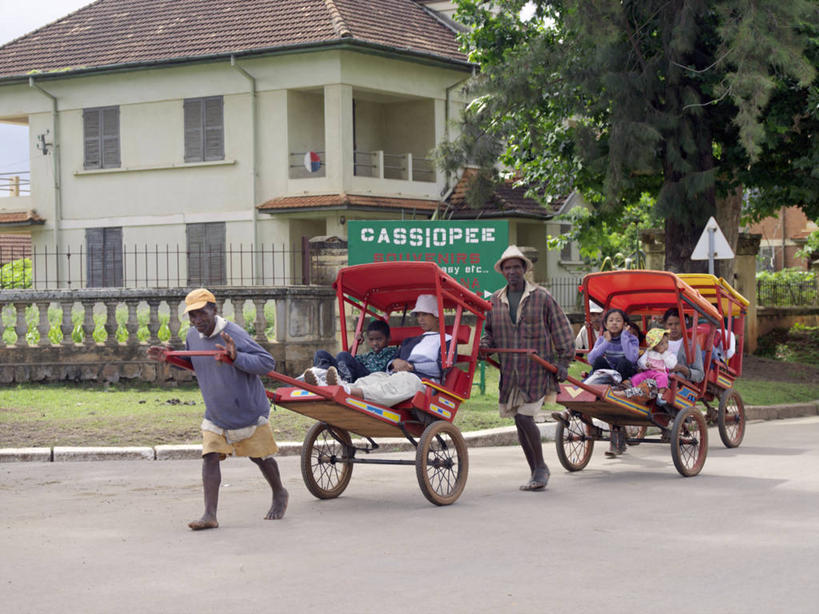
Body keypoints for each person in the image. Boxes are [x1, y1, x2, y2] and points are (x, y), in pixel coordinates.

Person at [147, 288, 288, 530]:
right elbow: (195, 364)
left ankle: (279, 492)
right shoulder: (192, 335)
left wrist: (236, 357)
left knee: (260, 457)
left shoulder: (233, 334)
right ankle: (209, 515)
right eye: (192, 316)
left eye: (202, 313)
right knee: (210, 457)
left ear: (214, 309)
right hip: (216, 413)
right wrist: (169, 358)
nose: (197, 320)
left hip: (247, 411)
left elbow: (266, 363)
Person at [481, 245, 574, 492]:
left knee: (525, 416)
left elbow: (561, 328)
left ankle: (541, 467)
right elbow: (487, 331)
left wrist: (563, 361)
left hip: (537, 370)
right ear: (502, 272)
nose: (512, 271)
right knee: (519, 422)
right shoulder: (494, 301)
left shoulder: (542, 297)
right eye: (507, 267)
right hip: (510, 372)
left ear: (524, 269)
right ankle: (536, 470)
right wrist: (484, 346)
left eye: (516, 267)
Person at [336, 294, 451, 408]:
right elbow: (390, 362)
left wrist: (411, 367)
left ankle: (350, 392)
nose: (420, 319)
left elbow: (442, 368)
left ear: (436, 316)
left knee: (402, 380)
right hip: (395, 375)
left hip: (421, 381)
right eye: (418, 315)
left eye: (424, 314)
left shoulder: (446, 340)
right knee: (376, 376)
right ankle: (340, 386)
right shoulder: (409, 341)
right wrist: (394, 362)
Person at [305, 319, 397, 385]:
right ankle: (321, 375)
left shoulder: (393, 352)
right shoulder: (369, 356)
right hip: (354, 372)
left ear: (388, 338)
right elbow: (346, 359)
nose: (375, 343)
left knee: (343, 355)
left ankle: (343, 381)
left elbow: (345, 357)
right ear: (367, 340)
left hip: (371, 377)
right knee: (320, 354)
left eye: (379, 339)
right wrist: (355, 344)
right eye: (371, 340)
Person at [617, 328, 677, 399]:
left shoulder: (668, 354)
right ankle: (627, 387)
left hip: (660, 374)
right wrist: (645, 364)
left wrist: (664, 355)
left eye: (667, 342)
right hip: (649, 372)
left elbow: (672, 365)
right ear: (654, 346)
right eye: (661, 344)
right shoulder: (649, 352)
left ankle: (660, 396)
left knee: (660, 379)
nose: (665, 345)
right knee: (637, 377)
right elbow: (640, 362)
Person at [587, 308, 639, 382]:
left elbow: (632, 359)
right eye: (611, 320)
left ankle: (620, 386)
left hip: (625, 374)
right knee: (599, 361)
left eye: (618, 321)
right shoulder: (602, 339)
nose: (614, 323)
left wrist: (624, 336)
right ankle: (604, 384)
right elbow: (591, 360)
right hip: (609, 373)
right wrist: (606, 341)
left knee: (624, 362)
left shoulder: (632, 339)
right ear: (606, 324)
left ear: (625, 324)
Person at [662, 307, 704, 383]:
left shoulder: (692, 346)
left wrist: (683, 369)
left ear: (683, 324)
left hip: (679, 387)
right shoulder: (657, 343)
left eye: (677, 324)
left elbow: (700, 375)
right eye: (670, 324)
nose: (673, 327)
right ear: (665, 325)